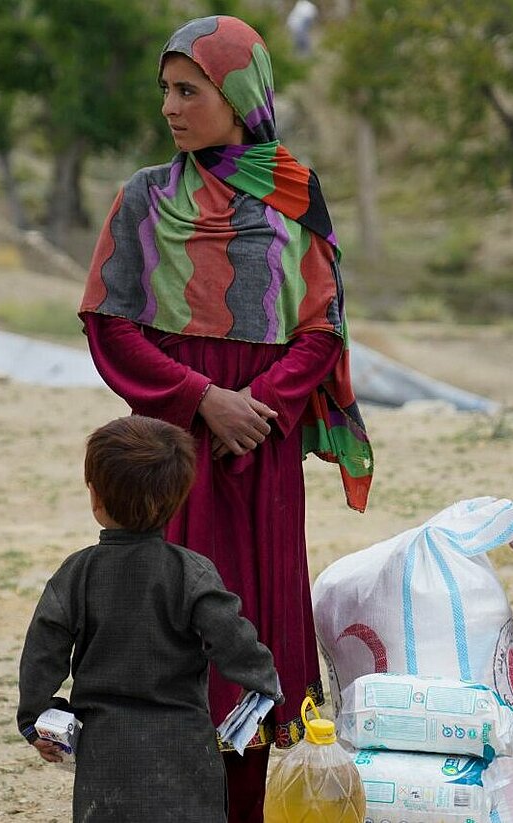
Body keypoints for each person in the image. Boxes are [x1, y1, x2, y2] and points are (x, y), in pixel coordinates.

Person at [78, 14, 371, 823]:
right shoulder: (143, 198)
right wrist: (203, 401)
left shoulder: (295, 191)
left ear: (239, 94)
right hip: (176, 444)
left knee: (261, 606)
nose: (170, 108)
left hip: (263, 446)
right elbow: (109, 320)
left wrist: (264, 408)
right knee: (176, 606)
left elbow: (323, 325)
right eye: (165, 91)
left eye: (188, 90)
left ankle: (260, 796)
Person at [16, 415, 282, 822]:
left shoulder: (77, 573)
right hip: (185, 747)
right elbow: (231, 636)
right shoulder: (192, 572)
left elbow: (43, 649)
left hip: (105, 755)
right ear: (178, 500)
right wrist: (262, 680)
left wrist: (37, 717)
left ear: (95, 497)